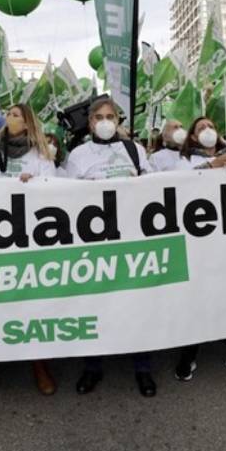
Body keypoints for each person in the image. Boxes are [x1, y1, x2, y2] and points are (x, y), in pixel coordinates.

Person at [63, 96, 157, 397]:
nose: (105, 122)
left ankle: (143, 368)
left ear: (118, 121)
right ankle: (93, 367)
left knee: (136, 304)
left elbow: (156, 186)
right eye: (99, 117)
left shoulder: (135, 150)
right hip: (95, 242)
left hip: (132, 238)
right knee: (96, 303)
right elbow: (62, 196)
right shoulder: (78, 155)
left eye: (110, 117)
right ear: (90, 123)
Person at [0, 104, 58, 396]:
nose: (9, 118)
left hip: (29, 238)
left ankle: (38, 364)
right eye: (9, 114)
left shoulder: (40, 156)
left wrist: (36, 185)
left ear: (28, 124)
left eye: (16, 115)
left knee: (30, 303)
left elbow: (54, 192)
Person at [171, 117, 226, 382]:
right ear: (193, 137)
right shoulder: (184, 160)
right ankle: (189, 353)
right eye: (200, 128)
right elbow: (176, 184)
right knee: (196, 295)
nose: (208, 130)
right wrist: (210, 166)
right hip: (197, 238)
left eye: (211, 126)